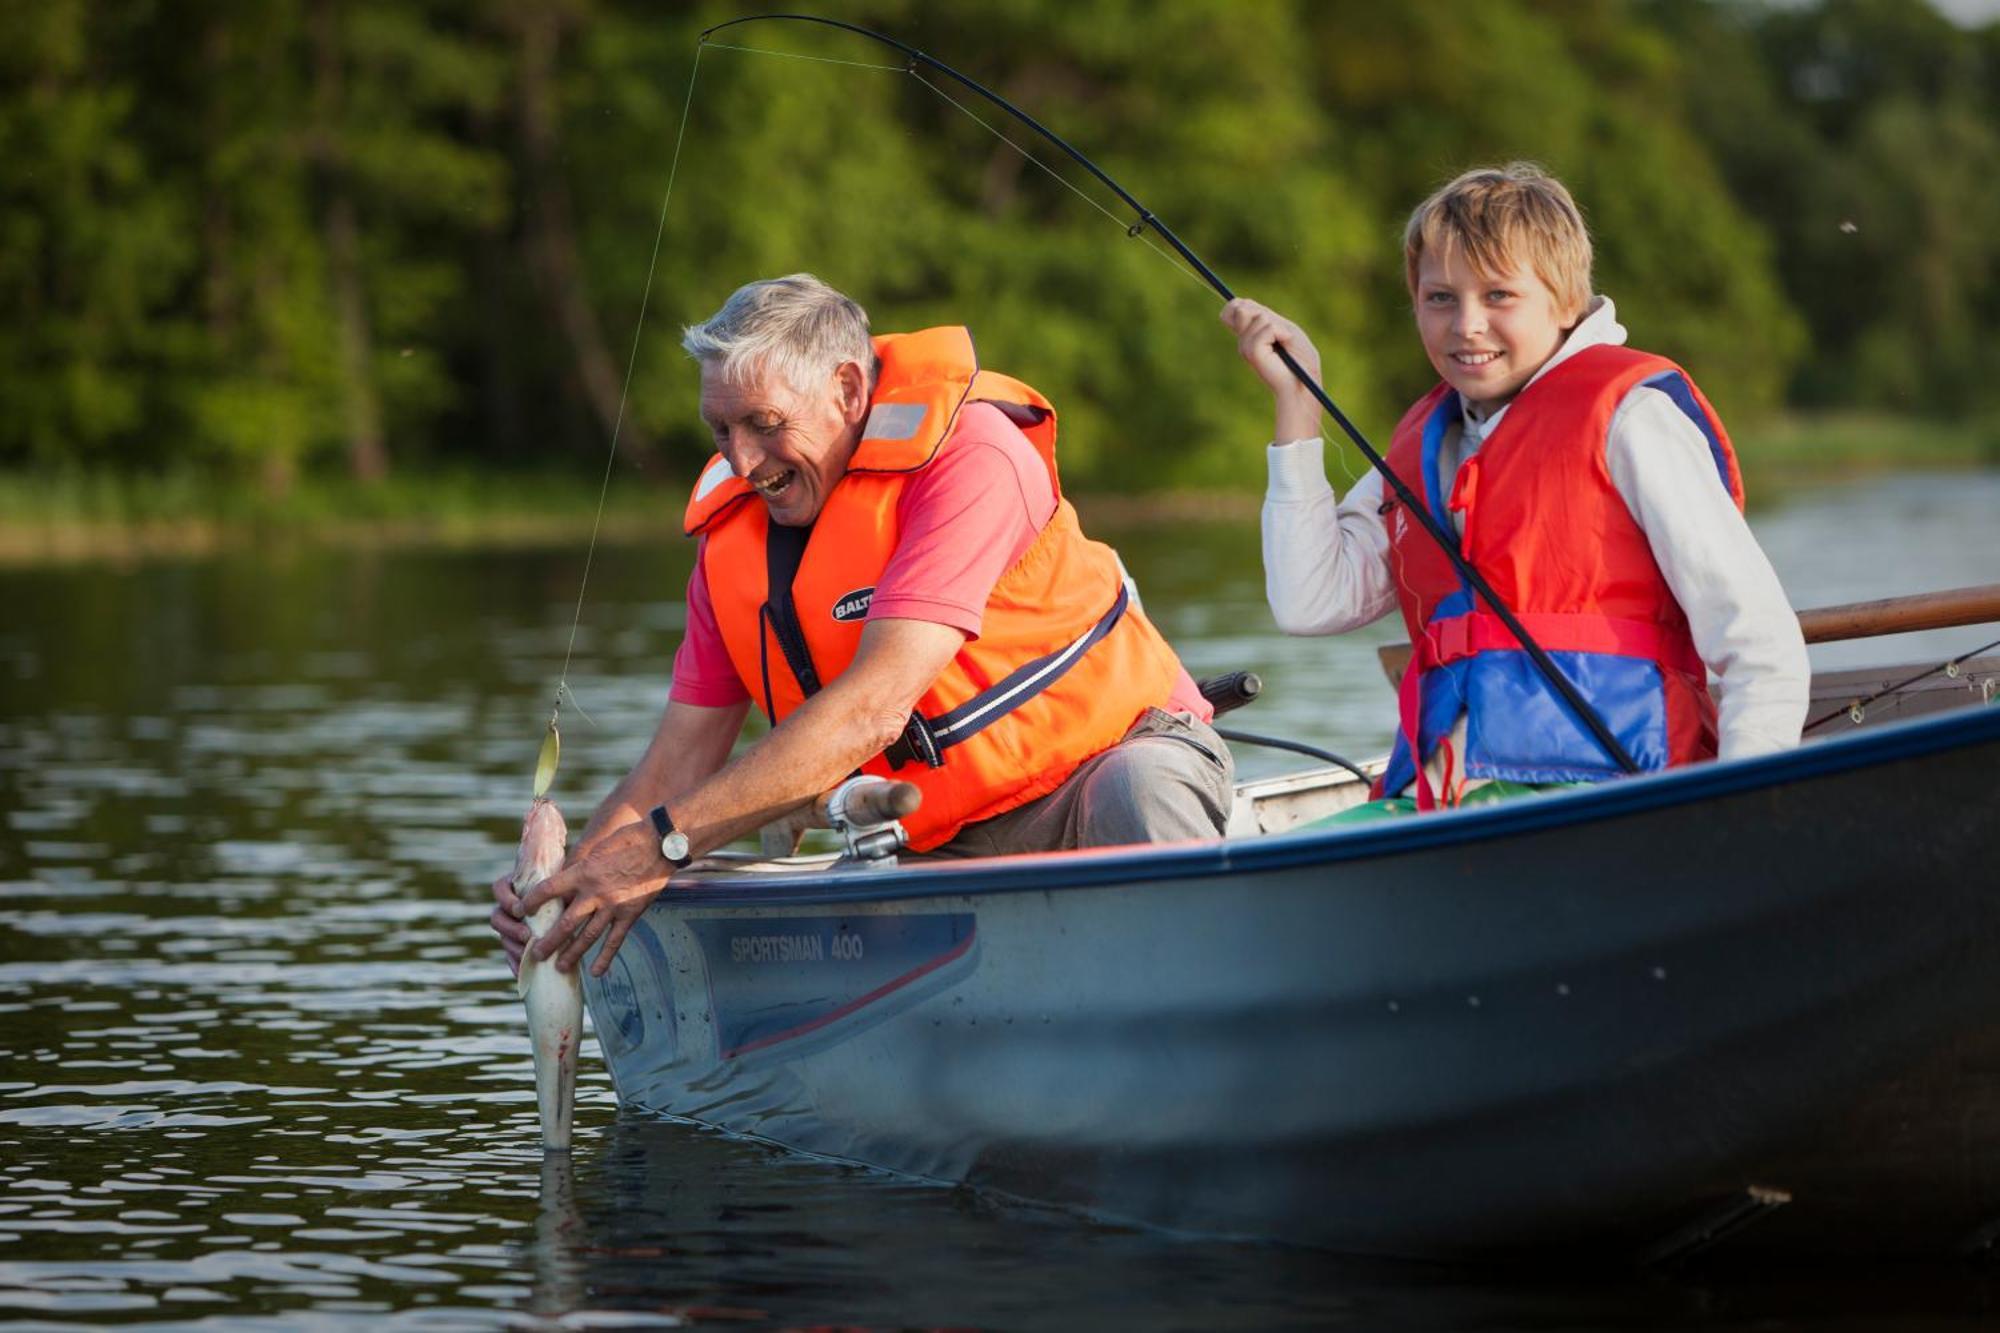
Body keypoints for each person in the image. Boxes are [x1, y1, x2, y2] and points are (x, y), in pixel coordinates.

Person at [492, 274, 1231, 976]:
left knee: (1137, 792)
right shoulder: (731, 545)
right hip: (929, 837)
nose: (742, 460)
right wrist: (571, 886)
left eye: (764, 424)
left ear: (847, 389)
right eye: (720, 428)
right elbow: (676, 762)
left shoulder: (973, 456)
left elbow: (874, 708)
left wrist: (662, 845)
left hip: (1104, 767)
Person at [1220, 163, 1808, 817]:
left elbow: (1757, 642)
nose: (1467, 325)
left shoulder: (1632, 420)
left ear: (1564, 302)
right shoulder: (1424, 445)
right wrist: (1298, 406)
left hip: (1619, 792)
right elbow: (1309, 601)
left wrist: (1746, 810)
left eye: (1499, 296)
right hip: (1444, 803)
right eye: (1440, 297)